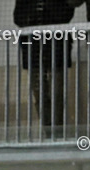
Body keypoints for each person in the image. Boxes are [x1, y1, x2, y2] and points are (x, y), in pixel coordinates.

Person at [14, 0, 76, 130]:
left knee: (57, 94)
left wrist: (47, 9)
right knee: (39, 94)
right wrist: (32, 17)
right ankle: (46, 129)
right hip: (33, 50)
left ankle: (58, 131)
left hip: (57, 48)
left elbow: (66, 15)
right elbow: (18, 18)